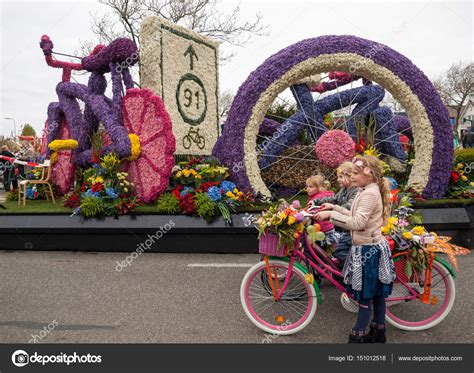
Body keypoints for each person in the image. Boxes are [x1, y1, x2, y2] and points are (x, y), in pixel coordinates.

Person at [315, 155, 396, 343]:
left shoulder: (368, 193)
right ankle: (378, 331)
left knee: (366, 294)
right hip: (371, 247)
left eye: (356, 173)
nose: (352, 176)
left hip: (368, 249)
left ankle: (357, 335)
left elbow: (358, 222)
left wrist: (330, 216)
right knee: (376, 294)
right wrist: (334, 207)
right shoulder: (367, 189)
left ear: (369, 175)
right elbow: (354, 213)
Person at [308, 162, 359, 263]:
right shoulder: (344, 190)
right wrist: (316, 201)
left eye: (340, 177)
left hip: (351, 230)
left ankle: (354, 269)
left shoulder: (356, 191)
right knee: (337, 252)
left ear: (349, 176)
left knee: (339, 252)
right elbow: (333, 199)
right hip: (342, 228)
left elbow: (348, 207)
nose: (337, 179)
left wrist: (330, 211)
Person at [305, 175, 338, 245]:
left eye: (310, 187)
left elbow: (318, 209)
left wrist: (309, 212)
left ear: (318, 188)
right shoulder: (317, 196)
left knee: (313, 245)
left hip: (323, 228)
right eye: (307, 186)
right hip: (324, 227)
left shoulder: (320, 197)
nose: (307, 189)